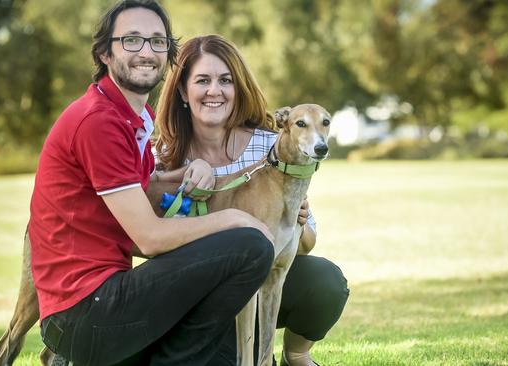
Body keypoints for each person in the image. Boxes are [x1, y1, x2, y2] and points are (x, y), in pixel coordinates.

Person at [28, 1, 276, 365]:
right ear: (104, 54)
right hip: (84, 311)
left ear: (168, 55)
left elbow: (145, 186)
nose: (146, 51)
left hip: (107, 300)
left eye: (157, 42)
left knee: (225, 338)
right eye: (131, 40)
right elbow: (150, 238)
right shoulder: (98, 121)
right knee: (248, 245)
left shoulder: (136, 116)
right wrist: (238, 219)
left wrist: (188, 172)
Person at [154, 34, 349, 366]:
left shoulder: (273, 146)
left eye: (225, 80)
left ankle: (295, 355)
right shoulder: (163, 155)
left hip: (261, 277)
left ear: (238, 88)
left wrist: (297, 221)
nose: (215, 90)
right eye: (203, 80)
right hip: (193, 292)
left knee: (324, 280)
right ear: (184, 91)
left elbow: (305, 243)